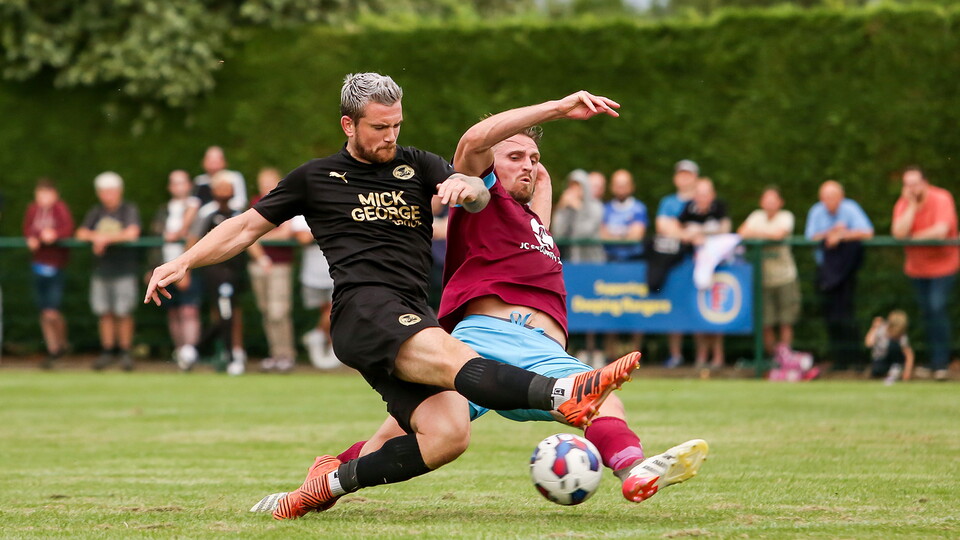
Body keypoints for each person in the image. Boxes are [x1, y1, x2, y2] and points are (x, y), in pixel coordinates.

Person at [144, 73, 637, 519]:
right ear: (349, 125)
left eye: (396, 125)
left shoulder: (417, 165)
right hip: (365, 308)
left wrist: (469, 190)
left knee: (447, 436)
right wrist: (184, 260)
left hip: (413, 313)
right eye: (380, 128)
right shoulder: (315, 177)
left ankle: (323, 485)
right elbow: (245, 227)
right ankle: (564, 393)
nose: (390, 137)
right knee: (459, 358)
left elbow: (477, 192)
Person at [254, 91, 707, 518]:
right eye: (514, 157)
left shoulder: (532, 224)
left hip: (533, 351)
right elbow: (475, 141)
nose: (527, 166)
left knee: (419, 434)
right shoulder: (479, 196)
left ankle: (324, 479)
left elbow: (537, 189)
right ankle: (632, 469)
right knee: (593, 399)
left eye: (534, 159)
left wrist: (535, 170)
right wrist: (557, 107)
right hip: (492, 337)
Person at [891, 166, 958, 381]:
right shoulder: (903, 204)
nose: (911, 188)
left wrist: (911, 238)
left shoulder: (941, 198)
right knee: (927, 313)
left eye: (915, 184)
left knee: (937, 307)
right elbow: (898, 233)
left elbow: (940, 231)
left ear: (925, 183)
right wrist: (911, 206)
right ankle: (933, 362)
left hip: (944, 267)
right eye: (907, 184)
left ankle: (941, 363)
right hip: (917, 269)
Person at [804, 180, 874, 371]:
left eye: (832, 197)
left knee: (846, 315)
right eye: (825, 197)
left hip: (845, 273)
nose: (828, 201)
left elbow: (867, 232)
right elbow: (810, 236)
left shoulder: (850, 208)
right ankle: (839, 360)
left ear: (841, 197)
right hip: (825, 272)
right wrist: (830, 233)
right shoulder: (816, 211)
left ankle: (856, 359)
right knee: (830, 317)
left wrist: (842, 234)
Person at [76, 171, 142, 371]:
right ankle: (107, 351)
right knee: (104, 313)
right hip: (101, 270)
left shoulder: (128, 210)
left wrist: (105, 239)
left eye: (111, 191)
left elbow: (132, 233)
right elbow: (81, 232)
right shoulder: (96, 211)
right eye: (104, 191)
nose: (107, 195)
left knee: (124, 312)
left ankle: (125, 352)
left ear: (119, 191)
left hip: (124, 270)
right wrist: (96, 237)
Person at [189, 171, 250, 375]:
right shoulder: (207, 213)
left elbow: (250, 237)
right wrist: (184, 266)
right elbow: (193, 239)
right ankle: (231, 357)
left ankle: (194, 350)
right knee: (225, 313)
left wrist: (262, 259)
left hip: (235, 272)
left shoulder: (239, 213)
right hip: (216, 272)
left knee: (229, 314)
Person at [551, 168, 606, 367]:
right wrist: (562, 209)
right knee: (574, 307)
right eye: (572, 186)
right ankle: (579, 349)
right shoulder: (568, 207)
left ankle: (596, 350)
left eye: (579, 186)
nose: (575, 191)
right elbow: (558, 232)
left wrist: (578, 208)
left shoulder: (596, 207)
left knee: (594, 308)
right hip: (573, 264)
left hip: (593, 264)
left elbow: (583, 232)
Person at [738, 186, 801, 354]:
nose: (770, 204)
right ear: (761, 202)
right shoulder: (756, 216)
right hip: (764, 279)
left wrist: (756, 233)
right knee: (766, 323)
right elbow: (742, 232)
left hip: (785, 277)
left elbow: (778, 235)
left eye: (773, 200)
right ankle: (773, 358)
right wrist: (767, 234)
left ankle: (785, 358)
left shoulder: (786, 216)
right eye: (767, 200)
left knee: (786, 321)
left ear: (780, 202)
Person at [149, 170, 202, 371]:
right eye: (174, 183)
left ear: (189, 185)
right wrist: (152, 269)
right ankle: (180, 353)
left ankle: (189, 353)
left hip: (189, 266)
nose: (178, 187)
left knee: (189, 309)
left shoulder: (196, 207)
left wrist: (186, 269)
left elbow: (195, 236)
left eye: (182, 182)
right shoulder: (163, 210)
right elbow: (155, 241)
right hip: (166, 266)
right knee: (173, 311)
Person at [678, 178, 732, 369]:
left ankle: (718, 356)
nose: (702, 197)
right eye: (699, 194)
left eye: (706, 193)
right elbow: (680, 232)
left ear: (712, 195)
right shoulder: (688, 209)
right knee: (697, 311)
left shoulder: (720, 207)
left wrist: (699, 233)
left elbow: (725, 230)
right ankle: (701, 356)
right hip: (693, 269)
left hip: (717, 269)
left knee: (716, 312)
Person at [248, 167, 297, 373]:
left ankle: (287, 355)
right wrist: (261, 257)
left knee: (279, 311)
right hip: (260, 265)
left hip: (280, 265)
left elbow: (285, 233)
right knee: (267, 312)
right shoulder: (254, 203)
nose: (266, 186)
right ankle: (275, 354)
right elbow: (247, 237)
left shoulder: (286, 201)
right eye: (263, 182)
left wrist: (260, 237)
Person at [22, 178, 74, 368]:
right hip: (38, 264)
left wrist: (55, 235)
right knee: (44, 311)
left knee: (52, 311)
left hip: (56, 265)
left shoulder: (60, 209)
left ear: (54, 194)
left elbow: (68, 229)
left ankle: (62, 344)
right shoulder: (33, 210)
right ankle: (53, 349)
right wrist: (32, 237)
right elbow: (28, 229)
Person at [599, 169, 647, 364]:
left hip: (633, 263)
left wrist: (614, 235)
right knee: (608, 307)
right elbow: (602, 235)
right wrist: (624, 234)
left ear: (631, 187)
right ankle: (610, 355)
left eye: (624, 184)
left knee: (638, 308)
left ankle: (636, 355)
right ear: (612, 187)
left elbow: (637, 235)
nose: (621, 188)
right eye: (617, 184)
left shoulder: (639, 208)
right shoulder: (605, 209)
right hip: (610, 263)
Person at [655, 160, 699, 367]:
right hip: (675, 265)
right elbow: (662, 227)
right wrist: (688, 234)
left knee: (699, 307)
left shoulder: (702, 200)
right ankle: (676, 354)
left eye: (688, 174)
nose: (684, 178)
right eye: (681, 174)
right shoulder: (668, 202)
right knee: (675, 308)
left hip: (698, 263)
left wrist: (676, 228)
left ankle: (703, 358)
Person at [291, 214, 341, 370]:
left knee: (335, 309)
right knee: (326, 311)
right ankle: (330, 346)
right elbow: (304, 238)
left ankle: (319, 336)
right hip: (313, 275)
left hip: (338, 272)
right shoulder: (300, 216)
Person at [193, 146, 247, 218]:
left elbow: (240, 202)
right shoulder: (200, 181)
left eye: (216, 161)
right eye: (211, 161)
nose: (213, 165)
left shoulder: (233, 177)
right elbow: (194, 204)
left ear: (224, 162)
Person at [865, 310, 914, 383]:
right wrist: (874, 327)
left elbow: (909, 355)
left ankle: (895, 370)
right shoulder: (881, 330)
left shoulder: (901, 336)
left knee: (894, 346)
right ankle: (885, 374)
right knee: (877, 370)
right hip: (880, 360)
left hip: (895, 361)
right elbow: (869, 343)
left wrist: (907, 372)